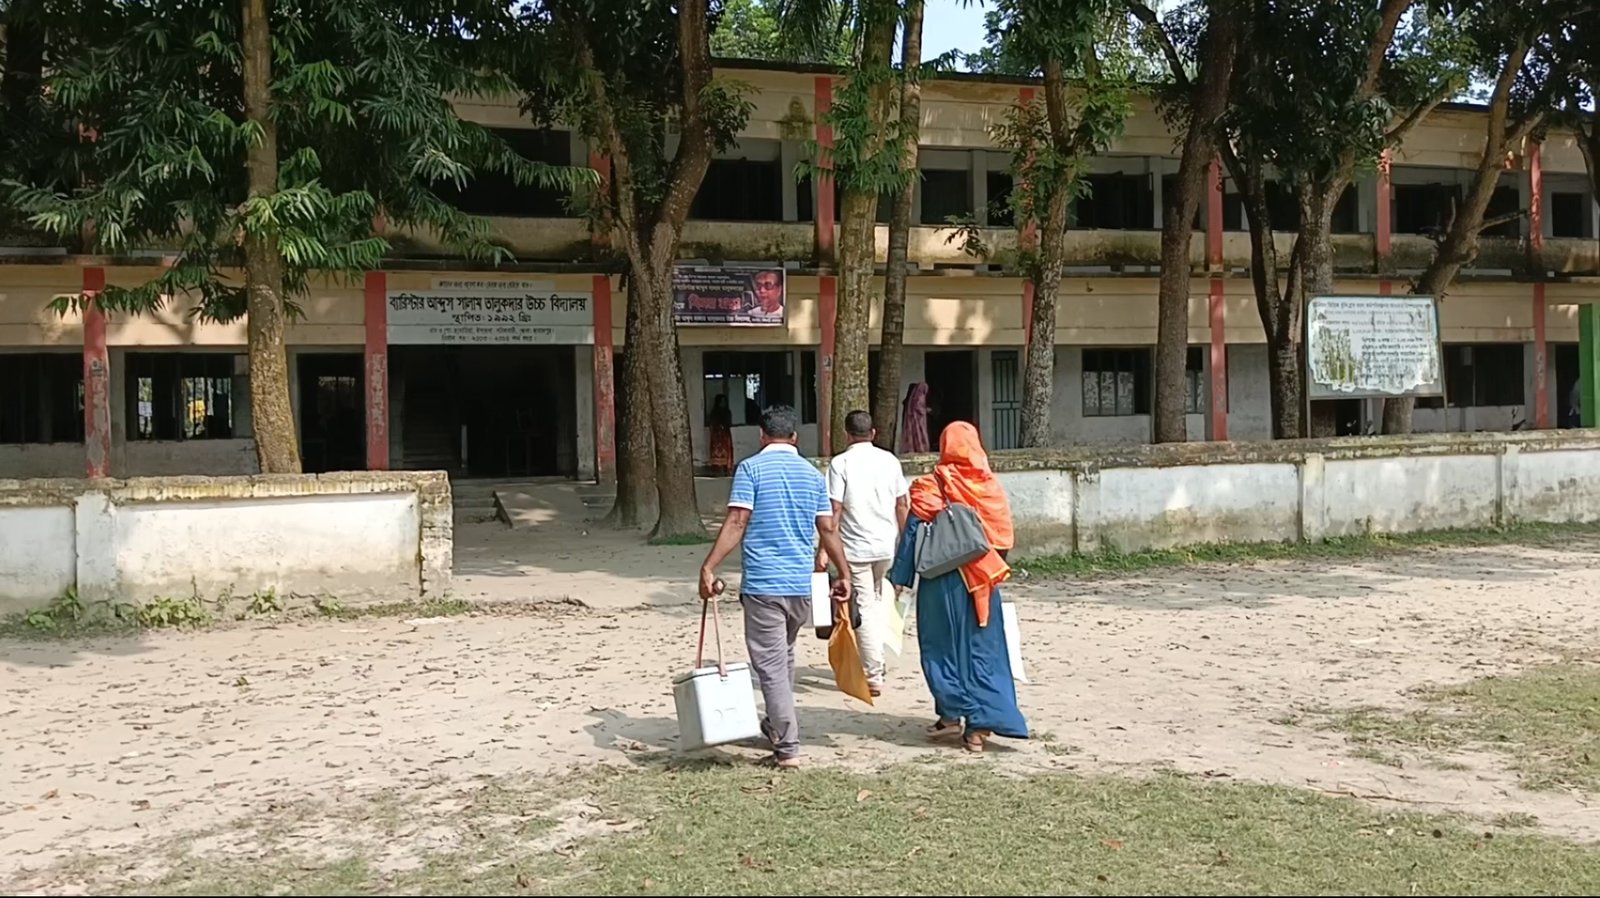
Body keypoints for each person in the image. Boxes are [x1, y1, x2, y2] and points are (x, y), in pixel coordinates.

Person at [700, 405, 851, 768]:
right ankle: (775, 723)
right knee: (782, 656)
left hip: (765, 584)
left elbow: (738, 520)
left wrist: (709, 565)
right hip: (800, 585)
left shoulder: (751, 469)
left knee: (769, 664)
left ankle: (787, 746)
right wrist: (843, 573)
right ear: (795, 436)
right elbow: (828, 528)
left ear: (762, 435)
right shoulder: (812, 474)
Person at [888, 421, 1027, 754]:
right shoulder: (989, 488)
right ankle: (977, 726)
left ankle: (952, 712)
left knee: (940, 647)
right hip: (981, 580)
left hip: (940, 580)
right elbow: (1003, 537)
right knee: (983, 649)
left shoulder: (930, 486)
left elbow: (911, 532)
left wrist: (901, 578)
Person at [817, 410, 909, 696]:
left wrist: (823, 549)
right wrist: (906, 543)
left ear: (846, 435)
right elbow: (902, 504)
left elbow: (834, 510)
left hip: (855, 548)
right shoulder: (889, 461)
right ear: (873, 433)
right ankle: (875, 657)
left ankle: (873, 672)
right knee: (878, 598)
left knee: (865, 608)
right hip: (886, 545)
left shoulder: (840, 463)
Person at [708, 393, 734, 475]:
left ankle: (726, 468)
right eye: (721, 401)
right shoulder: (714, 412)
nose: (722, 403)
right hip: (716, 435)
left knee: (726, 450)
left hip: (725, 434)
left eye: (724, 401)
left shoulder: (727, 412)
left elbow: (729, 422)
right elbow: (711, 423)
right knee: (716, 451)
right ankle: (717, 469)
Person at [900, 383, 930, 454]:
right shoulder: (920, 396)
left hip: (913, 420)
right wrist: (926, 410)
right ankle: (921, 448)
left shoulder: (914, 397)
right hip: (919, 421)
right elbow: (919, 407)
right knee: (920, 434)